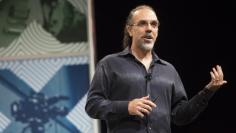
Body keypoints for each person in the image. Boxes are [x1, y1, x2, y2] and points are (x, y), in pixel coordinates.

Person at [85, 4, 227, 133]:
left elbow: (180, 117)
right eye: (142, 24)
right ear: (130, 30)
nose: (149, 29)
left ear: (157, 31)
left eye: (154, 25)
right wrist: (127, 107)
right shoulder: (110, 64)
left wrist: (208, 91)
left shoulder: (168, 70)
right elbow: (92, 105)